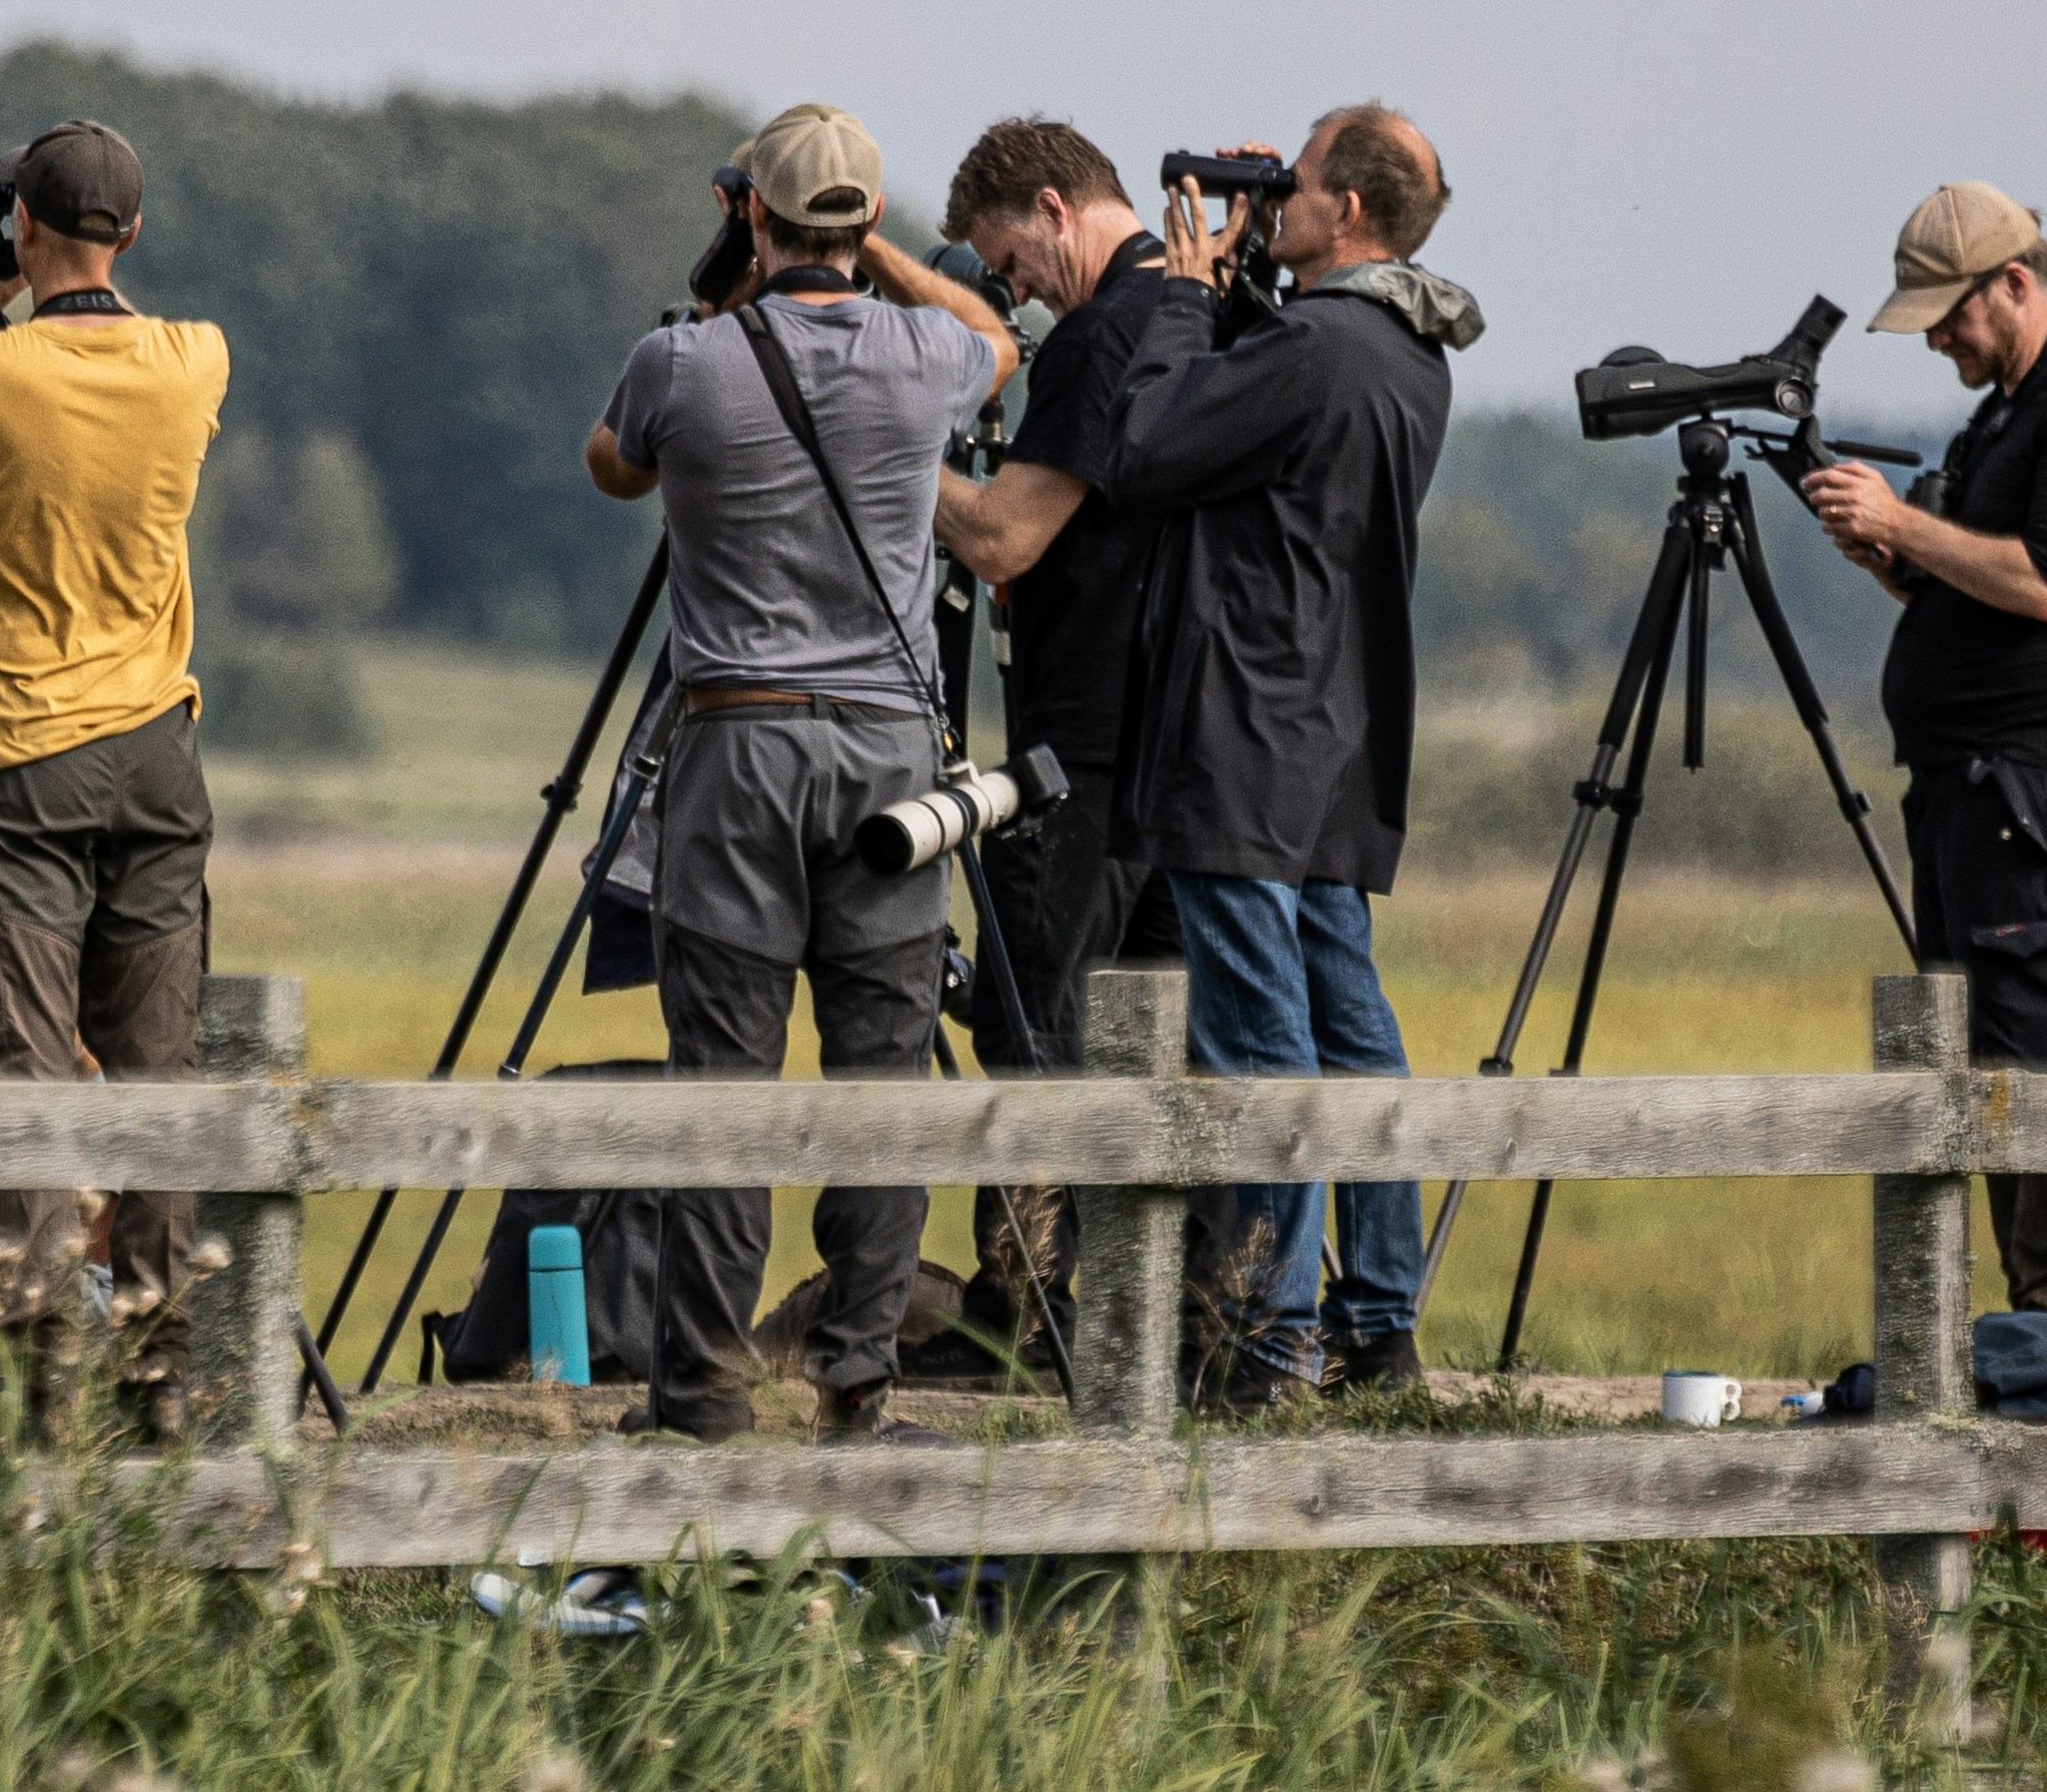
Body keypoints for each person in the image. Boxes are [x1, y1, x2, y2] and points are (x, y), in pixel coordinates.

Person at [582, 102, 1017, 1439]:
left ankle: (704, 1391)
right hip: (891, 750)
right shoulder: (932, 350)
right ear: (871, 223)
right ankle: (857, 1382)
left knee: (723, 1075)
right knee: (882, 1076)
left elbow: (612, 467)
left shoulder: (685, 359)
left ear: (750, 214)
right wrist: (881, 264)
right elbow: (1000, 342)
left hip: (737, 745)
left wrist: (725, 288)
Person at [1083, 103, 1476, 1403]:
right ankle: (1378, 1319)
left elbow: (1140, 449)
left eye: (1294, 184)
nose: (1278, 197)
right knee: (1351, 1029)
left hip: (1243, 740)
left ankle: (1267, 1339)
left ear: (1348, 210)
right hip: (1332, 739)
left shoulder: (1315, 346)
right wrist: (1249, 284)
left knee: (1260, 1046)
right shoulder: (1409, 353)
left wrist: (1190, 303)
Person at [0, 120, 231, 1431]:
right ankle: (164, 1364)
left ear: (17, 227)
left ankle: (39, 1366)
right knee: (157, 1071)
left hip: (21, 767)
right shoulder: (195, 361)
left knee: (20, 1069)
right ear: (137, 231)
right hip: (157, 760)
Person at [1793, 182, 2047, 1329]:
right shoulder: (2003, 410)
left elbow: (2045, 582)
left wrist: (1902, 524)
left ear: (2017, 282)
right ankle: (2017, 1332)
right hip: (1959, 793)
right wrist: (1879, 549)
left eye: (1951, 315)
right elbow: (1960, 569)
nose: (1939, 339)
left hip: (2027, 794)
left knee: (2035, 1056)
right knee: (1967, 1064)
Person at [929, 118, 1195, 1354]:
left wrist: (867, 446)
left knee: (1032, 1014)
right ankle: (1166, 1312)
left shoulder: (1099, 338)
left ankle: (1017, 1314)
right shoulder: (1195, 310)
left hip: (1074, 746)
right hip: (1183, 748)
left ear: (1050, 206)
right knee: (1158, 1034)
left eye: (1012, 260)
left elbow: (999, 537)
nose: (1016, 292)